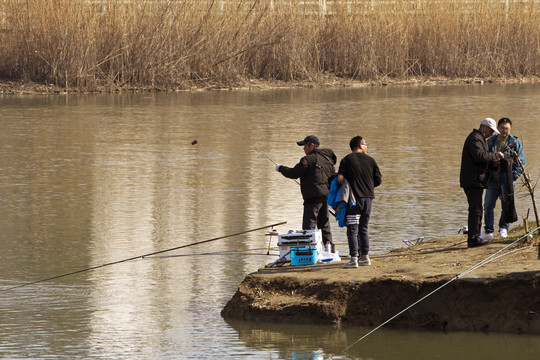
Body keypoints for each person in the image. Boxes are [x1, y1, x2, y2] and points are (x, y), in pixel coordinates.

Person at [275, 135, 337, 249]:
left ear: (311, 146)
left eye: (304, 146)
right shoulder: (328, 160)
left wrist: (280, 168)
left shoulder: (307, 160)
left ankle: (309, 250)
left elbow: (293, 173)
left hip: (312, 198)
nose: (303, 148)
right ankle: (330, 250)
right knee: (325, 225)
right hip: (325, 196)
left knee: (309, 226)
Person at [337, 136, 381, 268]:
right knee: (363, 228)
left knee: (352, 229)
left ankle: (354, 259)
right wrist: (367, 185)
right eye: (366, 144)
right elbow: (378, 180)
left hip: (354, 201)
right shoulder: (371, 160)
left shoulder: (346, 160)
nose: (366, 146)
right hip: (368, 199)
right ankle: (365, 257)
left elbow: (340, 179)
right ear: (360, 145)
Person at [460, 118, 504, 248]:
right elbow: (479, 155)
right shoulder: (475, 138)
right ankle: (473, 239)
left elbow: (482, 159)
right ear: (484, 127)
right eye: (491, 130)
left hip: (476, 180)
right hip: (472, 180)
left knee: (477, 209)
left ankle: (475, 236)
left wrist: (492, 163)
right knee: (476, 209)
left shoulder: (480, 139)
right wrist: (495, 156)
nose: (491, 134)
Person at [481, 117, 525, 240]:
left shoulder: (514, 143)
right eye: (502, 128)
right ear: (498, 128)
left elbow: (521, 163)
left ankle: (503, 228)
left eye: (507, 129)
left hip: (507, 181)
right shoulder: (490, 142)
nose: (504, 131)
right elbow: (484, 158)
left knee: (507, 205)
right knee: (488, 205)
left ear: (510, 129)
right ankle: (488, 230)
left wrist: (512, 178)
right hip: (492, 180)